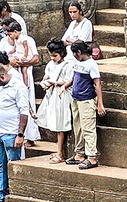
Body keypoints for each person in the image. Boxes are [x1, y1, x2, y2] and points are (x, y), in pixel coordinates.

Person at [0, 62, 30, 202]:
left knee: (13, 164)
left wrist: (20, 134)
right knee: (0, 165)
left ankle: (15, 195)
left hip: (12, 133)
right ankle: (1, 196)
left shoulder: (18, 87)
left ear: (3, 76)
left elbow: (24, 112)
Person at [0, 19, 41, 144]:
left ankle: (30, 136)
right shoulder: (5, 42)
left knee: (27, 102)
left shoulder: (27, 40)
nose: (8, 35)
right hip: (11, 74)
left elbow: (36, 58)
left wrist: (23, 62)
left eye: (9, 32)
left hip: (24, 70)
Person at [66, 40, 104, 170]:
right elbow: (74, 77)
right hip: (76, 98)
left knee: (88, 127)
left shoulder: (91, 64)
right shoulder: (77, 63)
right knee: (78, 128)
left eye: (74, 53)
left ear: (79, 52)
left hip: (87, 99)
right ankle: (79, 153)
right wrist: (65, 85)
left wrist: (100, 104)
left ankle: (92, 157)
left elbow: (97, 84)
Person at [38, 39, 74, 164]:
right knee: (54, 123)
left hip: (61, 96)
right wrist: (46, 82)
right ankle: (58, 150)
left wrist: (55, 82)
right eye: (51, 55)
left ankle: (60, 153)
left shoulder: (68, 65)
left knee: (60, 125)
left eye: (55, 55)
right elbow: (46, 77)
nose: (52, 58)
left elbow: (69, 80)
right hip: (52, 95)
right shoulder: (50, 65)